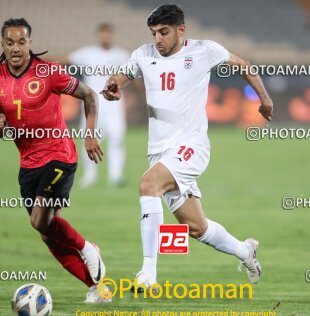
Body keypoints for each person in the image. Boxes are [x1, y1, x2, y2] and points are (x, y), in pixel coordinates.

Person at [101, 4, 273, 291]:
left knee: (148, 185)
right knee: (196, 227)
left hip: (192, 146)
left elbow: (244, 65)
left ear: (181, 30)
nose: (158, 39)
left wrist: (264, 99)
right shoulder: (144, 54)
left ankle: (147, 273)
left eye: (164, 32)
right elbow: (123, 75)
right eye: (154, 33)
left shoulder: (204, 50)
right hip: (159, 151)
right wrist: (113, 86)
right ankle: (246, 251)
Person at [0, 18, 110, 302]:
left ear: (30, 42)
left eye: (21, 42)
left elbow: (89, 95)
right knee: (46, 233)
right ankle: (97, 287)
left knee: (39, 220)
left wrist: (90, 135)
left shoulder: (48, 72)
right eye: (10, 42)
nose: (15, 48)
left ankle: (88, 248)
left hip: (59, 155)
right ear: (2, 44)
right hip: (28, 163)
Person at [64, 23, 129, 187]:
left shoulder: (121, 55)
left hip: (114, 104)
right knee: (90, 137)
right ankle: (90, 175)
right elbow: (66, 59)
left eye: (108, 33)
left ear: (112, 35)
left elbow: (132, 75)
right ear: (98, 35)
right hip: (92, 103)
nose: (105, 37)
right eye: (102, 33)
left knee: (116, 138)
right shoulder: (87, 53)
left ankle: (116, 175)